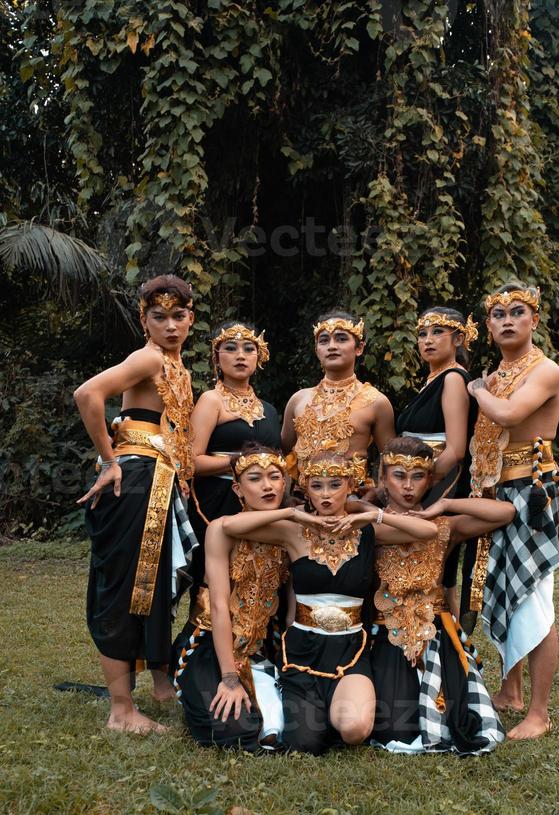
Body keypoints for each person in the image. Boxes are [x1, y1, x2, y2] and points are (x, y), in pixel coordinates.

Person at [222, 453, 450, 755]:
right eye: (317, 486)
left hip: (350, 649)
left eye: (335, 485)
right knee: (305, 744)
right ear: (306, 488)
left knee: (355, 730)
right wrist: (296, 516)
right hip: (302, 649)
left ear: (351, 485)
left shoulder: (366, 532)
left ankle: (337, 707)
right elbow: (230, 526)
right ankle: (311, 705)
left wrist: (371, 515)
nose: (326, 494)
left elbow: (428, 531)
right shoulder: (292, 533)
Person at [74, 274, 197, 734]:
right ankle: (121, 711)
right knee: (124, 587)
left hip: (160, 483)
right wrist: (110, 458)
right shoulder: (147, 357)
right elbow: (88, 394)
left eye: (178, 316)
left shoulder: (176, 366)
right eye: (159, 317)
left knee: (153, 584)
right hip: (136, 480)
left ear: (191, 319)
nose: (170, 326)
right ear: (144, 320)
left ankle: (158, 686)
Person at [467, 282, 559, 740]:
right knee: (505, 589)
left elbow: (507, 416)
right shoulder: (500, 372)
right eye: (498, 313)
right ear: (488, 325)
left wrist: (474, 388)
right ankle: (510, 691)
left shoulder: (544, 370)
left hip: (531, 491)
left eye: (518, 311)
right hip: (498, 490)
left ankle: (540, 714)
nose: (507, 320)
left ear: (535, 320)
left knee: (533, 597)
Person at [369, 437, 510, 754]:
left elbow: (505, 512)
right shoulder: (368, 524)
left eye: (418, 477)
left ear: (430, 480)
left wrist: (446, 504)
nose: (408, 487)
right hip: (386, 634)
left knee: (457, 717)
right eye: (399, 476)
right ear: (383, 477)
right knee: (396, 728)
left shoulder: (445, 526)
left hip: (436, 633)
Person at [172, 446, 297, 750]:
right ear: (238, 488)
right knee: (235, 733)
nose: (267, 486)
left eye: (275, 477)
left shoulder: (292, 534)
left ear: (285, 482)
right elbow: (217, 607)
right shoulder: (222, 529)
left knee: (293, 730)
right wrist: (229, 678)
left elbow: (292, 610)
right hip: (212, 646)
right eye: (255, 479)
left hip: (263, 646)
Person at [396, 306, 478, 615]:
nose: (428, 340)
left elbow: (455, 449)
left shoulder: (454, 379)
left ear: (458, 339)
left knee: (434, 566)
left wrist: (418, 489)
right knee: (430, 569)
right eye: (422, 334)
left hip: (437, 483)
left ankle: (449, 650)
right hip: (416, 481)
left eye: (437, 332)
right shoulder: (432, 381)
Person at [188, 321, 280, 597]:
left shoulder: (270, 409)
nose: (240, 355)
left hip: (263, 504)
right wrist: (240, 462)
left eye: (248, 349)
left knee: (261, 578)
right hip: (219, 500)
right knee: (218, 583)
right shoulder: (210, 401)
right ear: (216, 358)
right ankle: (208, 638)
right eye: (230, 348)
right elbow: (191, 462)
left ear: (259, 356)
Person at [281, 311, 395, 485]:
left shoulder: (376, 401)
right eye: (324, 340)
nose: (332, 346)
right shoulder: (298, 399)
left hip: (351, 502)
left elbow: (390, 459)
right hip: (302, 502)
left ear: (359, 348)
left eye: (341, 339)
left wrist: (378, 494)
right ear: (317, 350)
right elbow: (284, 454)